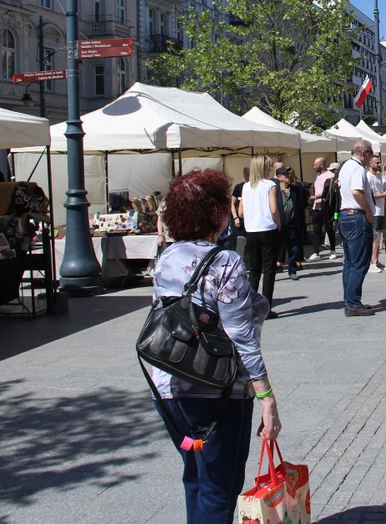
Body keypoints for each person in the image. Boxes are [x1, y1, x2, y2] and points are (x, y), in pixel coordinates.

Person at [150, 169, 279, 523]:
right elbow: (241, 337)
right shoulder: (226, 262)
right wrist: (266, 397)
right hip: (219, 392)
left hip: (169, 387)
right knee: (219, 489)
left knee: (196, 478)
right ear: (216, 213)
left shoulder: (166, 258)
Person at [239, 155, 281, 316]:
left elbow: (241, 212)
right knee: (269, 270)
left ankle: (250, 306)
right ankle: (266, 307)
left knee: (254, 270)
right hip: (267, 229)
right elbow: (274, 209)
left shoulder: (246, 186)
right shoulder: (270, 185)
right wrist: (278, 223)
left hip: (251, 231)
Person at [338, 141, 376, 317]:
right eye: (371, 153)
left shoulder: (345, 166)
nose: (372, 157)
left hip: (346, 216)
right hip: (356, 216)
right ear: (363, 153)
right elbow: (356, 191)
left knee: (350, 262)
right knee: (359, 262)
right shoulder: (358, 169)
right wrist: (368, 210)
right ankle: (353, 302)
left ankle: (350, 299)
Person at [276, 167, 307, 281]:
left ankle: (292, 270)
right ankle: (274, 270)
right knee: (276, 248)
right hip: (279, 224)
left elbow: (302, 204)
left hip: (292, 223)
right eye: (285, 174)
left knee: (293, 247)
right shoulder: (275, 191)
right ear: (279, 177)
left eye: (289, 174)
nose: (288, 176)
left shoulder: (295, 189)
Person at [366, 155, 386, 273]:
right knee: (375, 237)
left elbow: (383, 191)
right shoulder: (368, 177)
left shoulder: (379, 177)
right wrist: (384, 195)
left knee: (378, 237)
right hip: (374, 211)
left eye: (379, 163)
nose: (379, 165)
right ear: (370, 164)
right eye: (377, 163)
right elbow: (369, 196)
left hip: (381, 210)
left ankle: (376, 261)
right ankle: (372, 263)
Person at [308, 158, 338, 261]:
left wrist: (316, 196)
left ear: (322, 165)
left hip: (326, 206)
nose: (314, 167)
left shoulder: (330, 176)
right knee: (316, 229)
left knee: (328, 228)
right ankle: (316, 252)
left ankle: (333, 250)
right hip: (316, 206)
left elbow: (329, 191)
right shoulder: (317, 175)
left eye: (316, 165)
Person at [230, 167, 250, 256]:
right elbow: (232, 203)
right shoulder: (239, 187)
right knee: (239, 243)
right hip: (240, 220)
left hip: (250, 220)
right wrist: (235, 217)